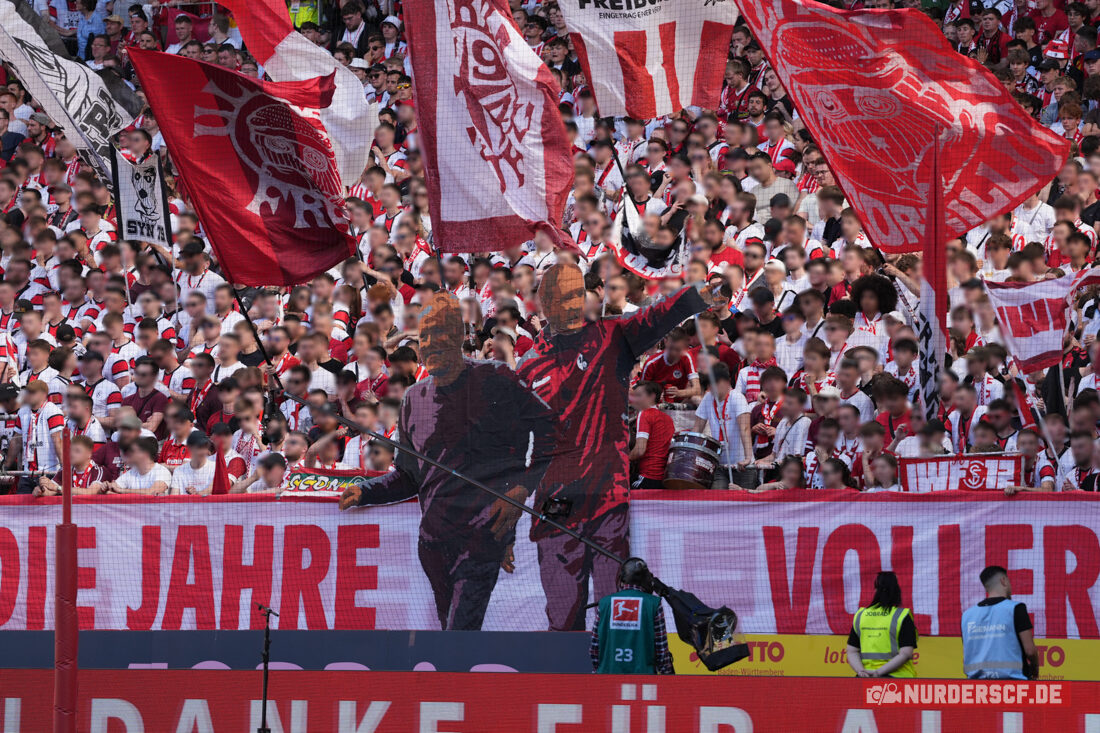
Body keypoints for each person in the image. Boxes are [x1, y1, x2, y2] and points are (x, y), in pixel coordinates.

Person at [339, 292, 558, 631]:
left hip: (483, 536)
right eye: (426, 335)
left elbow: (551, 432)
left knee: (458, 637)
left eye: (441, 332)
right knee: (450, 639)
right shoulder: (413, 398)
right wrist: (365, 492)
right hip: (434, 544)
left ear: (459, 336)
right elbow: (408, 477)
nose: (433, 342)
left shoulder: (497, 377)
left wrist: (519, 491)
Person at [516, 263, 712, 632]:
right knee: (562, 620)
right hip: (555, 508)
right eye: (564, 297)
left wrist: (696, 296)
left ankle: (613, 681)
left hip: (608, 500)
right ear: (546, 304)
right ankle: (565, 686)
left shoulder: (612, 336)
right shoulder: (527, 367)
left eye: (579, 294)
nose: (574, 304)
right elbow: (516, 444)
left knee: (616, 612)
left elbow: (659, 315)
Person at [590, 558, 673, 675]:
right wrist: (667, 675)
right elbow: (661, 649)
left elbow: (594, 647)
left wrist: (598, 671)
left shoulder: (604, 603)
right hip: (644, 680)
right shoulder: (653, 603)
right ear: (646, 579)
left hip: (606, 679)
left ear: (622, 579)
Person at [961, 565, 1039, 680]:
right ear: (1004, 581)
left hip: (976, 687)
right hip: (1013, 686)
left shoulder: (967, 615)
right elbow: (1030, 651)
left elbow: (968, 652)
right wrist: (1034, 669)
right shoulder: (1016, 609)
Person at [846, 571, 919, 678]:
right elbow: (906, 653)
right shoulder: (901, 616)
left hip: (865, 677)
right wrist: (878, 673)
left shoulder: (861, 615)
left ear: (875, 590)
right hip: (899, 678)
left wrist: (861, 671)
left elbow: (852, 651)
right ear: (897, 591)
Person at [629, 381, 675, 489]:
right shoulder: (668, 419)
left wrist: (624, 459)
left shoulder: (644, 414)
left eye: (639, 395)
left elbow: (640, 450)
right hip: (663, 480)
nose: (635, 400)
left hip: (647, 477)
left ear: (652, 396)